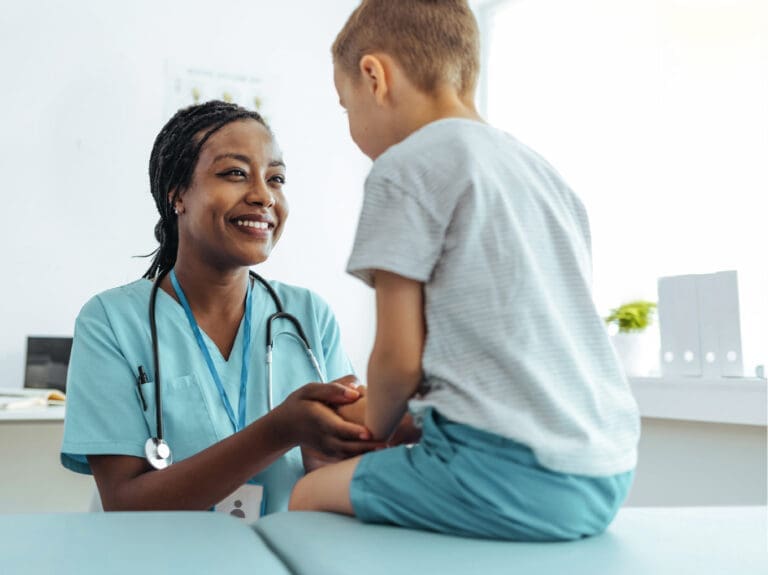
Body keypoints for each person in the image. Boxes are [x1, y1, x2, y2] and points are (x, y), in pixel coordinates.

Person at [289, 0, 641, 541]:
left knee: (308, 492)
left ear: (374, 76)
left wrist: (374, 430)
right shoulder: (541, 174)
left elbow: (398, 361)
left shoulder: (404, 168)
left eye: (345, 107)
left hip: (510, 473)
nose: (352, 129)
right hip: (607, 472)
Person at [61, 100, 380, 517]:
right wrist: (278, 431)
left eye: (276, 178)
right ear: (177, 193)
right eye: (234, 173)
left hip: (282, 556)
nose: (263, 196)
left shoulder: (307, 315)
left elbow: (337, 465)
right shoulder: (111, 321)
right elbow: (124, 502)